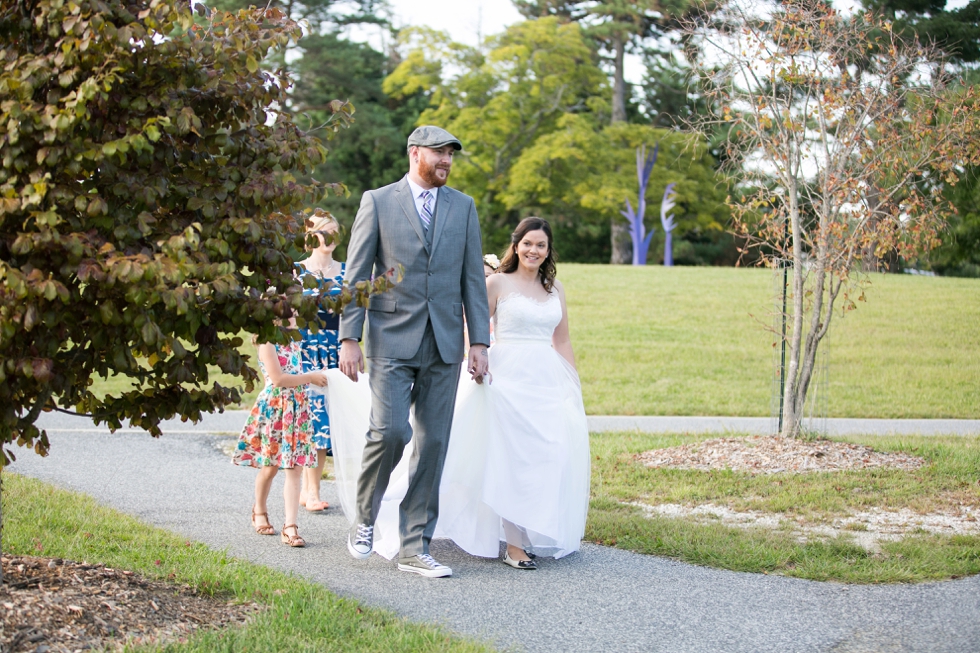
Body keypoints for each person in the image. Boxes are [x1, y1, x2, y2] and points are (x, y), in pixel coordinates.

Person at [326, 217, 590, 569]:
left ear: (548, 250)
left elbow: (562, 339)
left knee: (542, 455)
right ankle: (513, 545)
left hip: (545, 379)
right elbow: (475, 325)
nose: (534, 250)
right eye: (528, 243)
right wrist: (476, 359)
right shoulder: (497, 283)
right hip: (505, 378)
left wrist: (572, 382)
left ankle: (526, 529)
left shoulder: (555, 289)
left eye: (541, 245)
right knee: (507, 456)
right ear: (516, 246)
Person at [337, 125, 491, 578]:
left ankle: (414, 546)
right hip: (390, 338)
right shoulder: (378, 201)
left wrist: (478, 340)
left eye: (451, 156)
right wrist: (350, 337)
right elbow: (358, 272)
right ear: (414, 153)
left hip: (445, 341)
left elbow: (472, 280)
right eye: (439, 154)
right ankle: (365, 516)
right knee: (389, 432)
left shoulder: (463, 207)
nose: (446, 161)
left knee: (434, 443)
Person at [233, 327, 327, 548]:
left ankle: (290, 527)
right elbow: (278, 379)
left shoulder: (296, 342)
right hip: (276, 409)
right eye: (291, 312)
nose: (296, 316)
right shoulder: (267, 342)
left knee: (294, 468)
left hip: (297, 409)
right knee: (270, 467)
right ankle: (259, 509)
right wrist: (310, 378)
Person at [296, 210, 345, 513]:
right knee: (307, 420)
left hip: (335, 352)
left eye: (333, 230)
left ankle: (310, 489)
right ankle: (309, 490)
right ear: (309, 235)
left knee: (325, 422)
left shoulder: (348, 272)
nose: (327, 236)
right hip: (302, 352)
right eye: (321, 230)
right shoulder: (294, 271)